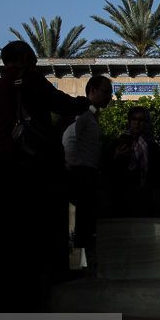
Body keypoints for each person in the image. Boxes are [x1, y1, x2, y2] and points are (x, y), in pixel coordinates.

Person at [0, 41, 91, 311]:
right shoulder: (28, 79)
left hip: (2, 170)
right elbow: (61, 103)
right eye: (32, 54)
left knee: (7, 238)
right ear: (23, 57)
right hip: (32, 170)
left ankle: (3, 297)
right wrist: (86, 102)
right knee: (36, 235)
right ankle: (34, 297)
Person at [63, 75, 112, 270]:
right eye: (106, 92)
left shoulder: (92, 115)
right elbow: (69, 140)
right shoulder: (82, 113)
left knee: (86, 222)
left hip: (87, 173)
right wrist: (76, 168)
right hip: (80, 175)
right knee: (79, 223)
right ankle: (76, 264)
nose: (109, 96)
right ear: (92, 90)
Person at [110, 105, 160, 217]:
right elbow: (110, 169)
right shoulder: (120, 142)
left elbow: (156, 172)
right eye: (134, 119)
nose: (137, 123)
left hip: (145, 196)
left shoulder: (152, 146)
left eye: (141, 120)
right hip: (123, 196)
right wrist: (116, 157)